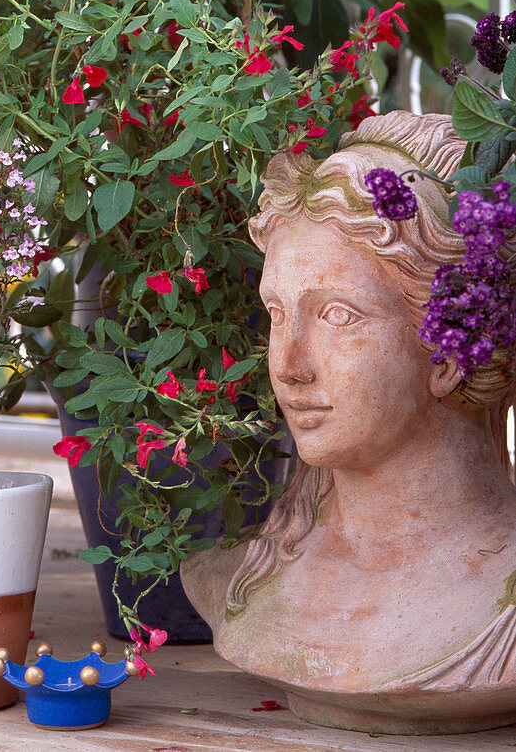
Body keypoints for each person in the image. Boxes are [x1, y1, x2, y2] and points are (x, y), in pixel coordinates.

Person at [181, 111, 516, 734]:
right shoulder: (243, 578)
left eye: (336, 315)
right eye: (278, 313)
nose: (288, 367)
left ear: (451, 346)